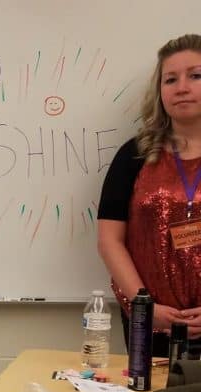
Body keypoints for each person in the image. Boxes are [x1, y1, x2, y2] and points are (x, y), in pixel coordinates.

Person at [99, 34, 201, 355]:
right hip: (150, 321)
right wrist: (147, 307)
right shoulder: (134, 155)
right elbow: (109, 240)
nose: (181, 87)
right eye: (170, 79)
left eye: (196, 76)